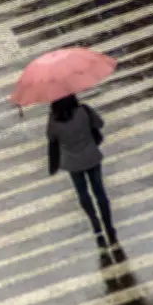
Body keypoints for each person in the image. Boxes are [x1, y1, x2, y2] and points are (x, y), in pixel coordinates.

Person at [47, 94, 118, 248]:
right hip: (91, 157)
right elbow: (100, 123)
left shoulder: (54, 120)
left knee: (82, 192)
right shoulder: (83, 110)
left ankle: (94, 220)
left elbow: (51, 138)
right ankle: (108, 224)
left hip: (72, 162)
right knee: (99, 191)